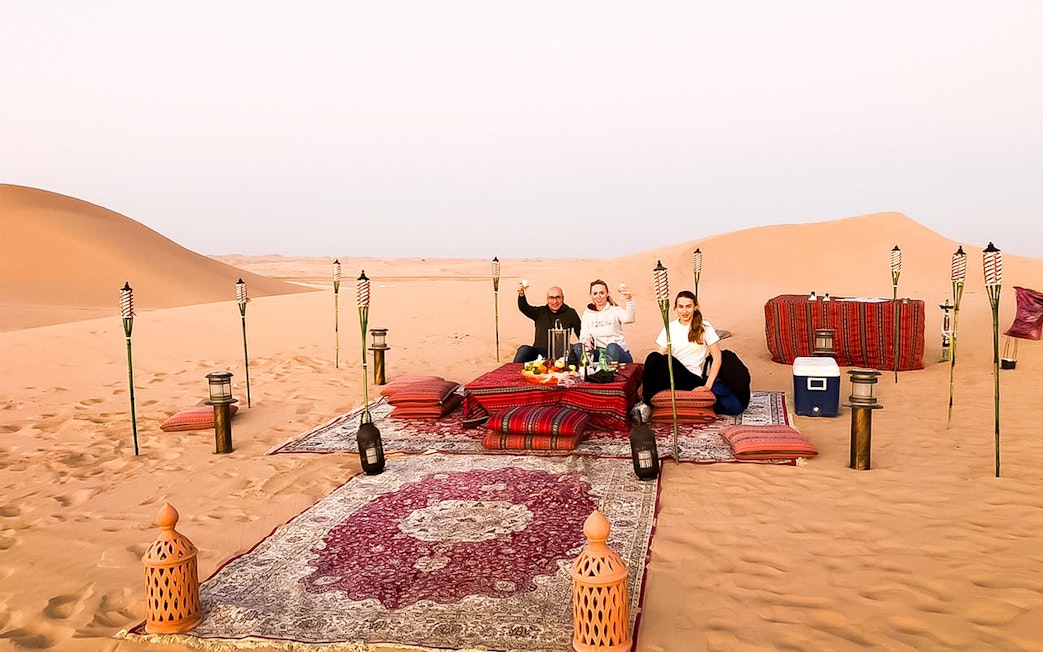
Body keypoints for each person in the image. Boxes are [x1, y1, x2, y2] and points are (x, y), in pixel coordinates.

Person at [638, 290, 744, 416]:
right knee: (653, 356)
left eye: (688, 306)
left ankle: (646, 405)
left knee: (667, 360)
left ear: (695, 307)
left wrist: (708, 385)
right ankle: (644, 403)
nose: (684, 311)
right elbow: (658, 356)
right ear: (675, 308)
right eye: (681, 307)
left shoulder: (704, 326)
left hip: (692, 377)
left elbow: (717, 357)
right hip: (673, 376)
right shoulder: (670, 327)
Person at [512, 283, 582, 363]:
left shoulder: (570, 313)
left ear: (563, 298)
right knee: (523, 349)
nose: (555, 301)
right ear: (547, 299)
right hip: (540, 354)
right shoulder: (540, 312)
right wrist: (521, 295)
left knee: (579, 347)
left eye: (558, 297)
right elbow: (524, 308)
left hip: (563, 354)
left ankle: (583, 374)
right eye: (551, 298)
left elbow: (581, 333)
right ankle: (511, 374)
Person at [574, 279, 636, 366]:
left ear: (607, 293)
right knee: (578, 347)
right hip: (598, 353)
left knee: (612, 347)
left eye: (601, 293)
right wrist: (586, 340)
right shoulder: (587, 313)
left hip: (618, 353)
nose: (598, 296)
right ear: (591, 295)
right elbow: (584, 334)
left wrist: (629, 300)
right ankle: (586, 372)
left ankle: (608, 374)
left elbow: (629, 318)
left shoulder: (615, 310)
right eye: (595, 293)